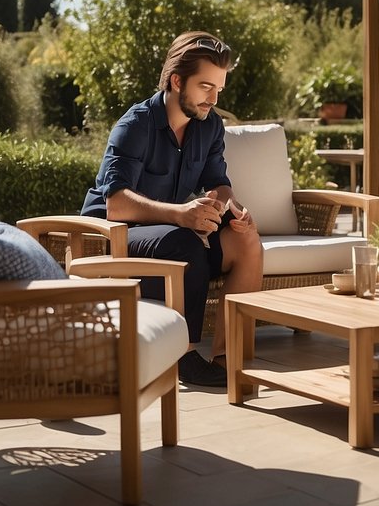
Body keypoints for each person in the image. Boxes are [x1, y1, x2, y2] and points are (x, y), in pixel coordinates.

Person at [81, 31, 263, 387]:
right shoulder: (135, 126)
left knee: (247, 242)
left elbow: (218, 181)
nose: (213, 98)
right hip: (114, 236)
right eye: (205, 87)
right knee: (184, 242)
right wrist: (181, 214)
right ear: (177, 81)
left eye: (219, 89)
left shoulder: (209, 126)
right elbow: (115, 203)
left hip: (171, 235)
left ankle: (227, 358)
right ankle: (184, 354)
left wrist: (236, 210)